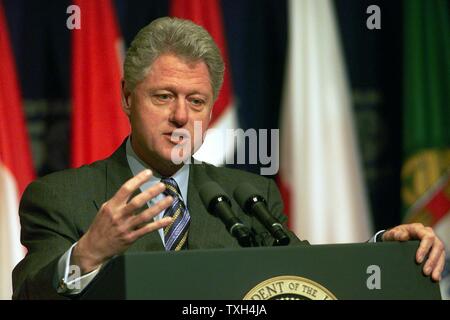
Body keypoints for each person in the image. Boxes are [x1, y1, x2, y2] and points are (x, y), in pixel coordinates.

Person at [12, 17, 445, 299]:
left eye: (197, 102)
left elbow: (306, 276)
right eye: (164, 97)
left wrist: (383, 253)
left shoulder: (248, 195)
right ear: (128, 96)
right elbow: (28, 293)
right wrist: (89, 251)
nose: (181, 116)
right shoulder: (60, 196)